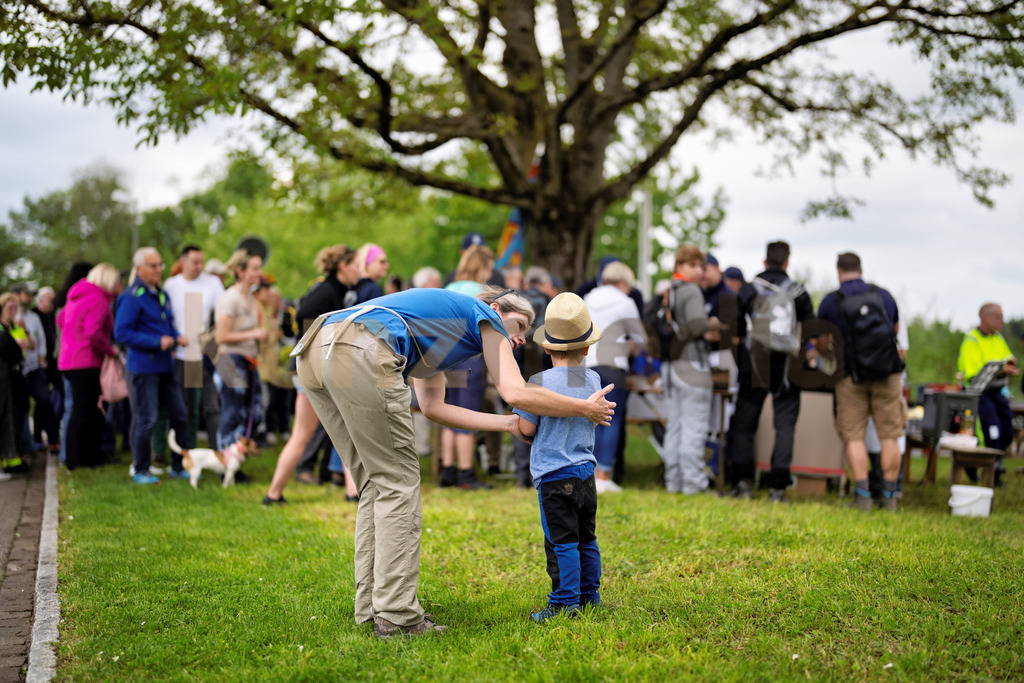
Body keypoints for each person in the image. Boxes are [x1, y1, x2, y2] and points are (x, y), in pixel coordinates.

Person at [292, 285, 615, 637]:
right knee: (397, 484)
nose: (521, 338)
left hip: (317, 347)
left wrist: (509, 423)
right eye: (520, 325)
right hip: (360, 346)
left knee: (376, 482)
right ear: (496, 308)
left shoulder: (439, 331)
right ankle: (397, 616)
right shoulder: (485, 316)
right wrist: (585, 408)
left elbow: (433, 407)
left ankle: (373, 607)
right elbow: (515, 392)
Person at [513, 293, 603, 622]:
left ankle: (565, 603)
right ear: (587, 348)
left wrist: (523, 428)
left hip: (554, 478)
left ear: (547, 349)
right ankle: (589, 595)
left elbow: (525, 427)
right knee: (586, 538)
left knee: (561, 543)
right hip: (585, 474)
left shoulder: (537, 383)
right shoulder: (591, 379)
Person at [264, 245, 360, 504]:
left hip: (309, 370)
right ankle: (353, 491)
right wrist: (319, 352)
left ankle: (274, 494)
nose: (359, 271)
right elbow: (306, 316)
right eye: (356, 265)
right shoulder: (327, 290)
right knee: (343, 427)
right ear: (343, 266)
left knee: (309, 433)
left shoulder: (334, 290)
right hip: (314, 371)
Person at [817, 252, 906, 511]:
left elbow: (821, 341)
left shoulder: (831, 302)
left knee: (853, 436)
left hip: (850, 376)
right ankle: (889, 498)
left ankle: (863, 496)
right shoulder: (884, 296)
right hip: (887, 373)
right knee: (890, 435)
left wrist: (831, 357)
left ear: (838, 271)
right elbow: (895, 330)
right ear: (861, 269)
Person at [726, 241, 814, 502]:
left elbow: (736, 326)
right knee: (784, 425)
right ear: (787, 262)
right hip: (787, 366)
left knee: (744, 424)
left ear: (765, 261)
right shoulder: (798, 291)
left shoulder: (749, 288)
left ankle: (743, 484)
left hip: (755, 362)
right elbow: (810, 327)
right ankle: (777, 488)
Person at [115, 248, 192, 483]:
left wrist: (176, 336)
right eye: (153, 265)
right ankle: (140, 469)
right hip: (142, 368)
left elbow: (165, 326)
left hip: (165, 366)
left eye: (160, 264)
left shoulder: (161, 294)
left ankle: (179, 467)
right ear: (139, 269)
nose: (159, 269)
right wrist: (156, 342)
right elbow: (122, 332)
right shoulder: (132, 296)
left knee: (180, 415)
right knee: (146, 419)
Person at [660, 246, 719, 495]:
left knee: (675, 425)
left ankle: (673, 481)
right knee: (694, 426)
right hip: (693, 362)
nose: (699, 271)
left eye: (700, 266)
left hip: (671, 364)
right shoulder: (691, 291)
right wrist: (713, 323)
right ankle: (694, 484)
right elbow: (698, 324)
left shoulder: (668, 291)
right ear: (680, 266)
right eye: (693, 265)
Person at [583, 261, 644, 493]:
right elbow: (639, 339)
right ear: (622, 283)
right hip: (613, 364)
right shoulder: (625, 302)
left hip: (586, 363)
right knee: (610, 420)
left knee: (590, 419)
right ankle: (604, 476)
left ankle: (588, 474)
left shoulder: (587, 299)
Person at [439, 245, 496, 489]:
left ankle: (448, 471)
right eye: (488, 269)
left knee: (449, 413)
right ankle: (466, 473)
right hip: (470, 359)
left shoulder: (449, 288)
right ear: (480, 267)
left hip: (445, 357)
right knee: (467, 415)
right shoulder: (481, 292)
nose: (490, 275)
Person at [57, 264, 122, 470]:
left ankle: (88, 455)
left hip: (69, 360)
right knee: (83, 409)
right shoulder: (99, 299)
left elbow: (60, 320)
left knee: (86, 409)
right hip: (85, 361)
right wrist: (109, 350)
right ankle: (74, 459)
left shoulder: (77, 297)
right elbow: (93, 332)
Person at [162, 244, 225, 449]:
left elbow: (223, 316)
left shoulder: (213, 283)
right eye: (195, 262)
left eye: (202, 262)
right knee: (187, 407)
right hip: (183, 353)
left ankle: (218, 452)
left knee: (212, 405)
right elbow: (164, 318)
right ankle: (185, 453)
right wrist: (174, 338)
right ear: (182, 262)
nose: (200, 266)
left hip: (208, 352)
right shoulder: (171, 286)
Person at [957, 302, 1019, 487]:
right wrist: (1001, 369)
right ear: (985, 317)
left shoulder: (998, 338)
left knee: (1007, 430)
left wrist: (1009, 365)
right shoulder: (972, 340)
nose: (1002, 321)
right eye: (998, 317)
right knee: (992, 431)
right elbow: (972, 372)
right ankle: (991, 472)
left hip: (997, 392)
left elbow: (1007, 358)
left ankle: (987, 465)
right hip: (979, 394)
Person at [213, 249, 267, 453]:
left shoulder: (250, 298)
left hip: (247, 360)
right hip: (229, 361)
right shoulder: (230, 298)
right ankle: (224, 461)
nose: (259, 273)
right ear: (240, 271)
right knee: (232, 412)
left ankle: (236, 459)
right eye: (254, 268)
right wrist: (254, 334)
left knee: (250, 411)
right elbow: (221, 336)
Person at [14, 283, 59, 452]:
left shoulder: (33, 317)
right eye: (26, 294)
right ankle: (25, 444)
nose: (29, 298)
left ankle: (52, 439)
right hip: (18, 369)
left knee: (44, 400)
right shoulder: (9, 316)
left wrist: (42, 357)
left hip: (34, 367)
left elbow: (38, 341)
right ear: (16, 294)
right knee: (22, 407)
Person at [1, 292, 28, 479]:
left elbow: (21, 352)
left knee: (12, 417)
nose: (13, 311)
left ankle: (12, 459)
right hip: (3, 377)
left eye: (15, 308)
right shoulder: (2, 330)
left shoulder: (15, 327)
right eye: (9, 308)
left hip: (13, 376)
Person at [32, 286, 62, 448]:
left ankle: (53, 435)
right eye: (48, 300)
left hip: (55, 362)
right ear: (41, 300)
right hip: (40, 364)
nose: (51, 303)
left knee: (57, 397)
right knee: (42, 400)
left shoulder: (52, 315)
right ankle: (39, 435)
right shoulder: (34, 315)